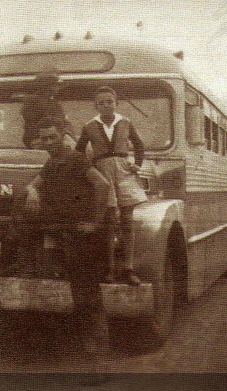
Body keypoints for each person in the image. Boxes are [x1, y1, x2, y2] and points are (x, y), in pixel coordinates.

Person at [21, 115, 117, 369]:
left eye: (53, 136)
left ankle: (99, 359)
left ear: (63, 135)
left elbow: (103, 186)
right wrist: (32, 190)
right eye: (44, 138)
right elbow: (36, 183)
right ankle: (89, 353)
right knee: (78, 296)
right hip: (65, 236)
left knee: (89, 296)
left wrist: (95, 222)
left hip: (83, 238)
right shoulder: (52, 162)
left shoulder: (75, 159)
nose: (49, 141)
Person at [76, 85, 147, 286]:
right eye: (101, 102)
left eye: (110, 101)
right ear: (95, 105)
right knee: (109, 221)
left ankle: (128, 268)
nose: (106, 105)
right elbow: (79, 151)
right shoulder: (89, 126)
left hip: (124, 171)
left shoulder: (125, 122)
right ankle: (109, 269)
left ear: (116, 103)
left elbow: (139, 145)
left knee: (127, 220)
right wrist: (91, 169)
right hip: (103, 172)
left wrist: (137, 164)